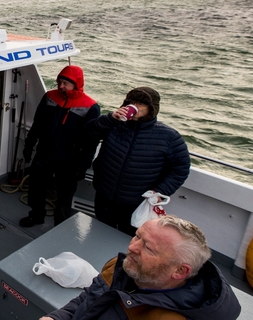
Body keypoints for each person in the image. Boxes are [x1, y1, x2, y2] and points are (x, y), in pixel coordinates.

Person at [41, 215, 241, 320]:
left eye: (148, 248)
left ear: (180, 271)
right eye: (137, 236)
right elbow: (87, 300)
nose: (132, 247)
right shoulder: (125, 268)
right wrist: (56, 318)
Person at [85, 87, 190, 236]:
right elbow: (88, 133)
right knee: (100, 231)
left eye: (141, 104)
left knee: (130, 238)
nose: (134, 106)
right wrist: (109, 118)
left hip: (136, 202)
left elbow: (181, 168)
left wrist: (160, 191)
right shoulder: (114, 124)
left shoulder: (169, 137)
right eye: (132, 102)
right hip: (104, 194)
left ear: (151, 109)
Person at [20, 65, 101, 227]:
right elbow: (38, 124)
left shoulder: (91, 107)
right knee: (36, 188)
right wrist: (29, 145)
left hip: (69, 159)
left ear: (76, 84)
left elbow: (91, 141)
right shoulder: (49, 97)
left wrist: (82, 166)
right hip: (44, 153)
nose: (61, 86)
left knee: (65, 195)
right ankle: (36, 216)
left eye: (66, 83)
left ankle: (60, 225)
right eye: (60, 81)